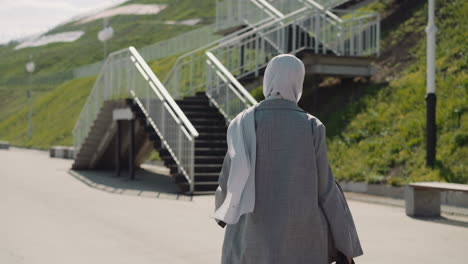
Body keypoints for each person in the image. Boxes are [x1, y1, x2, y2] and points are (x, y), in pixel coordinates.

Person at [212, 54, 363, 264]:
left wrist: (221, 213)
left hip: (250, 241)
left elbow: (227, 182)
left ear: (268, 78)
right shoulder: (311, 126)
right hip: (303, 245)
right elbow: (326, 191)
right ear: (298, 82)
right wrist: (346, 245)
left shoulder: (241, 123)